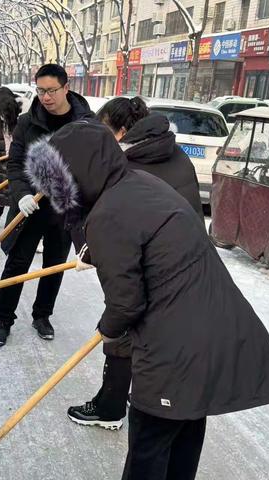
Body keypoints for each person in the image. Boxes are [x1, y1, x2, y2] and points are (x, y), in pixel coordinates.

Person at [25, 119, 269, 480]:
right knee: (187, 428)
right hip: (215, 326)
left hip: (175, 348)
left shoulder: (108, 214)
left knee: (149, 446)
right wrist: (98, 252)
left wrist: (107, 329)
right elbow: (147, 246)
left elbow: (126, 303)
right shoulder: (140, 183)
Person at [67, 96, 205, 430]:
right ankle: (131, 399)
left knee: (121, 328)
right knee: (146, 333)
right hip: (185, 264)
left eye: (104, 133)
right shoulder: (174, 154)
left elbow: (109, 219)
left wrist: (93, 248)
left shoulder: (127, 165)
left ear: (123, 131)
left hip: (147, 265)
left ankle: (112, 406)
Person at [0, 64, 92, 347]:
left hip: (64, 209)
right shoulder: (28, 122)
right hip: (30, 208)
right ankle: (3, 319)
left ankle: (42, 315)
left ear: (65, 88)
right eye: (41, 90)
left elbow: (93, 166)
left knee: (54, 265)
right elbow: (16, 163)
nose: (45, 97)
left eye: (51, 91)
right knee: (17, 263)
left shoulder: (85, 123)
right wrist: (21, 194)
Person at [0, 87, 23, 230]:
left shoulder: (21, 120)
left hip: (18, 161)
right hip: (2, 160)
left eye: (2, 113)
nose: (0, 116)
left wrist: (17, 153)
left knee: (17, 193)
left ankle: (16, 224)